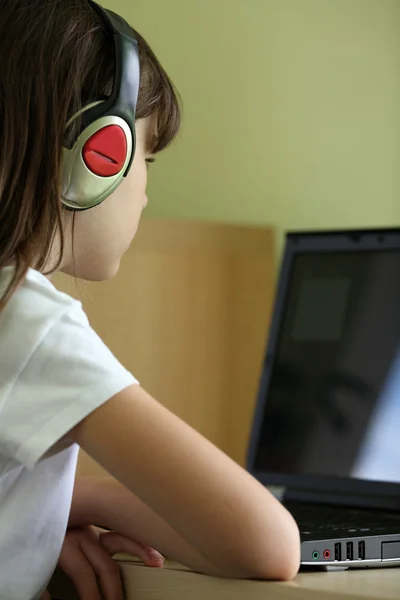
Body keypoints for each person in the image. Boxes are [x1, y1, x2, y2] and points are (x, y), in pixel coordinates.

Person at [0, 1, 301, 598]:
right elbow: (266, 543)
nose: (143, 196)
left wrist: (29, 518)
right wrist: (100, 498)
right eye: (148, 159)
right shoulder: (24, 321)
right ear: (94, 158)